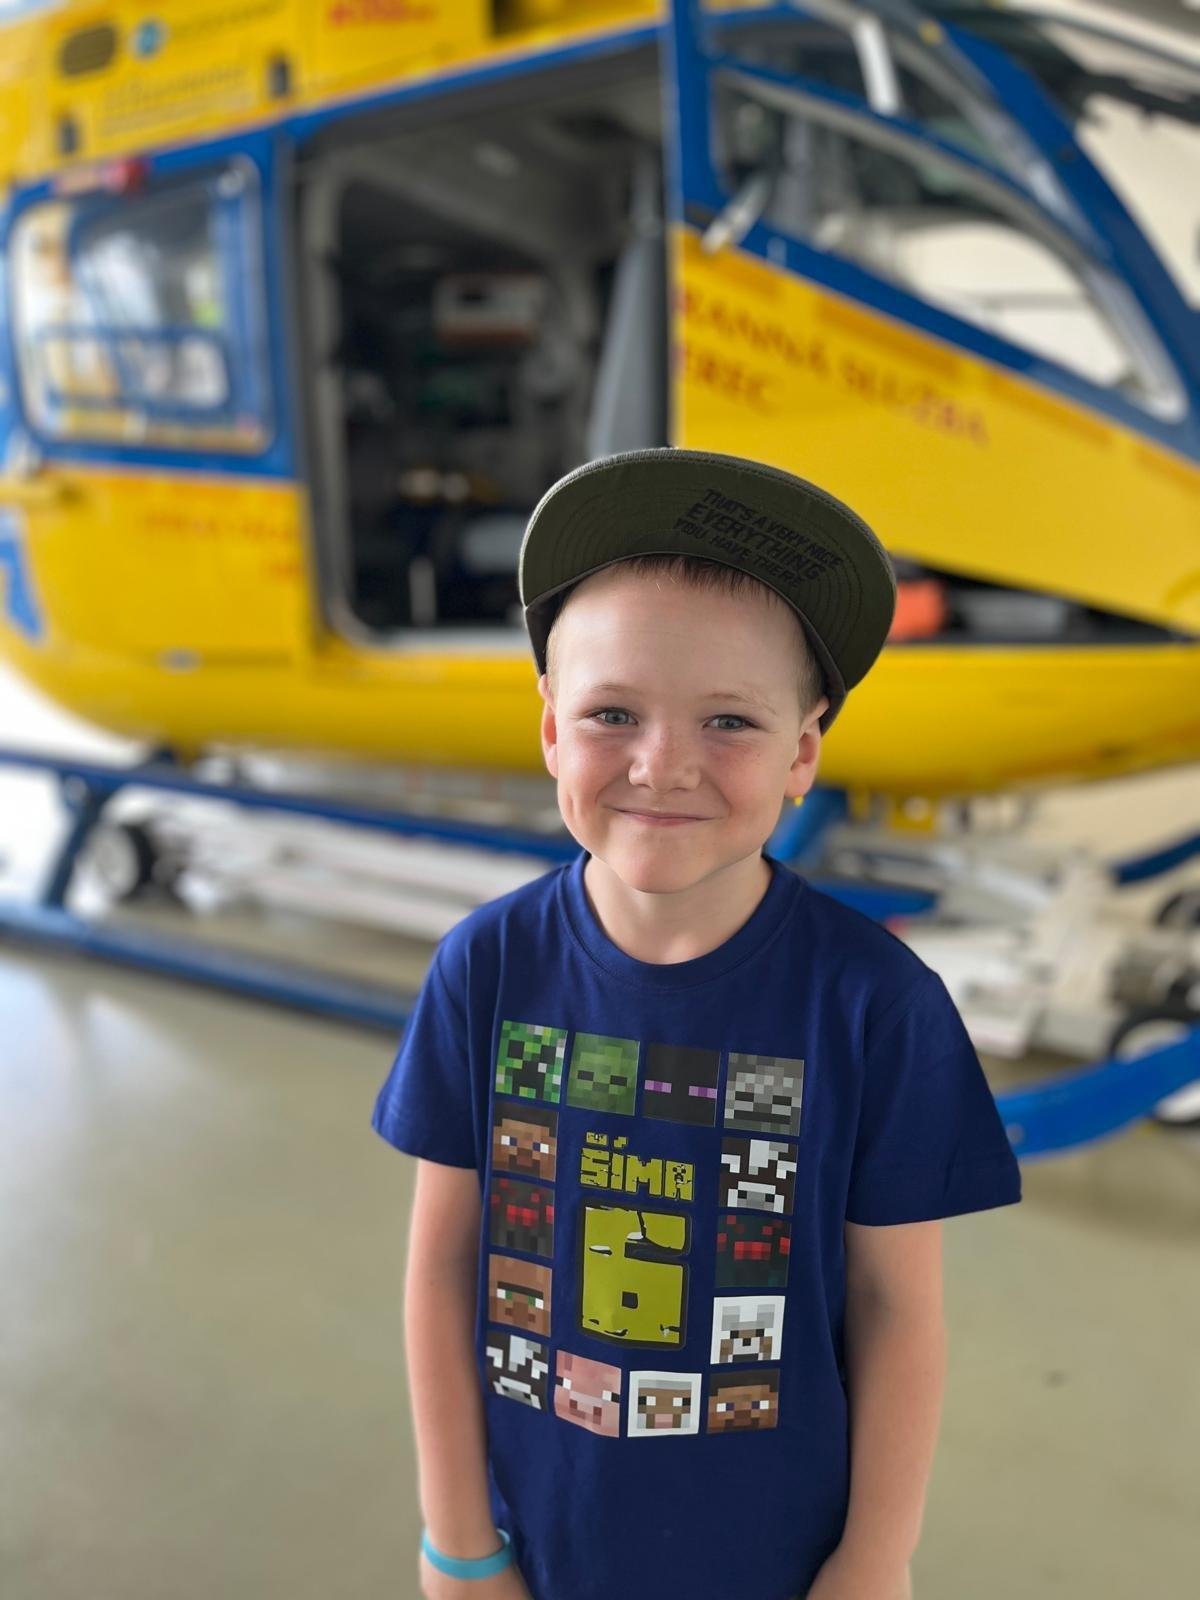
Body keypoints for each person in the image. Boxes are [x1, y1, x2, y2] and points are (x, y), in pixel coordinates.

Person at [371, 448, 1022, 1600]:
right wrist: (457, 1539)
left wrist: (875, 1558)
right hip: (537, 1542)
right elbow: (443, 1267)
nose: (662, 765)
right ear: (551, 730)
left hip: (777, 1562)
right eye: (612, 712)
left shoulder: (877, 1005)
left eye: (727, 719)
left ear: (802, 752)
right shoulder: (485, 968)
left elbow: (894, 1310)